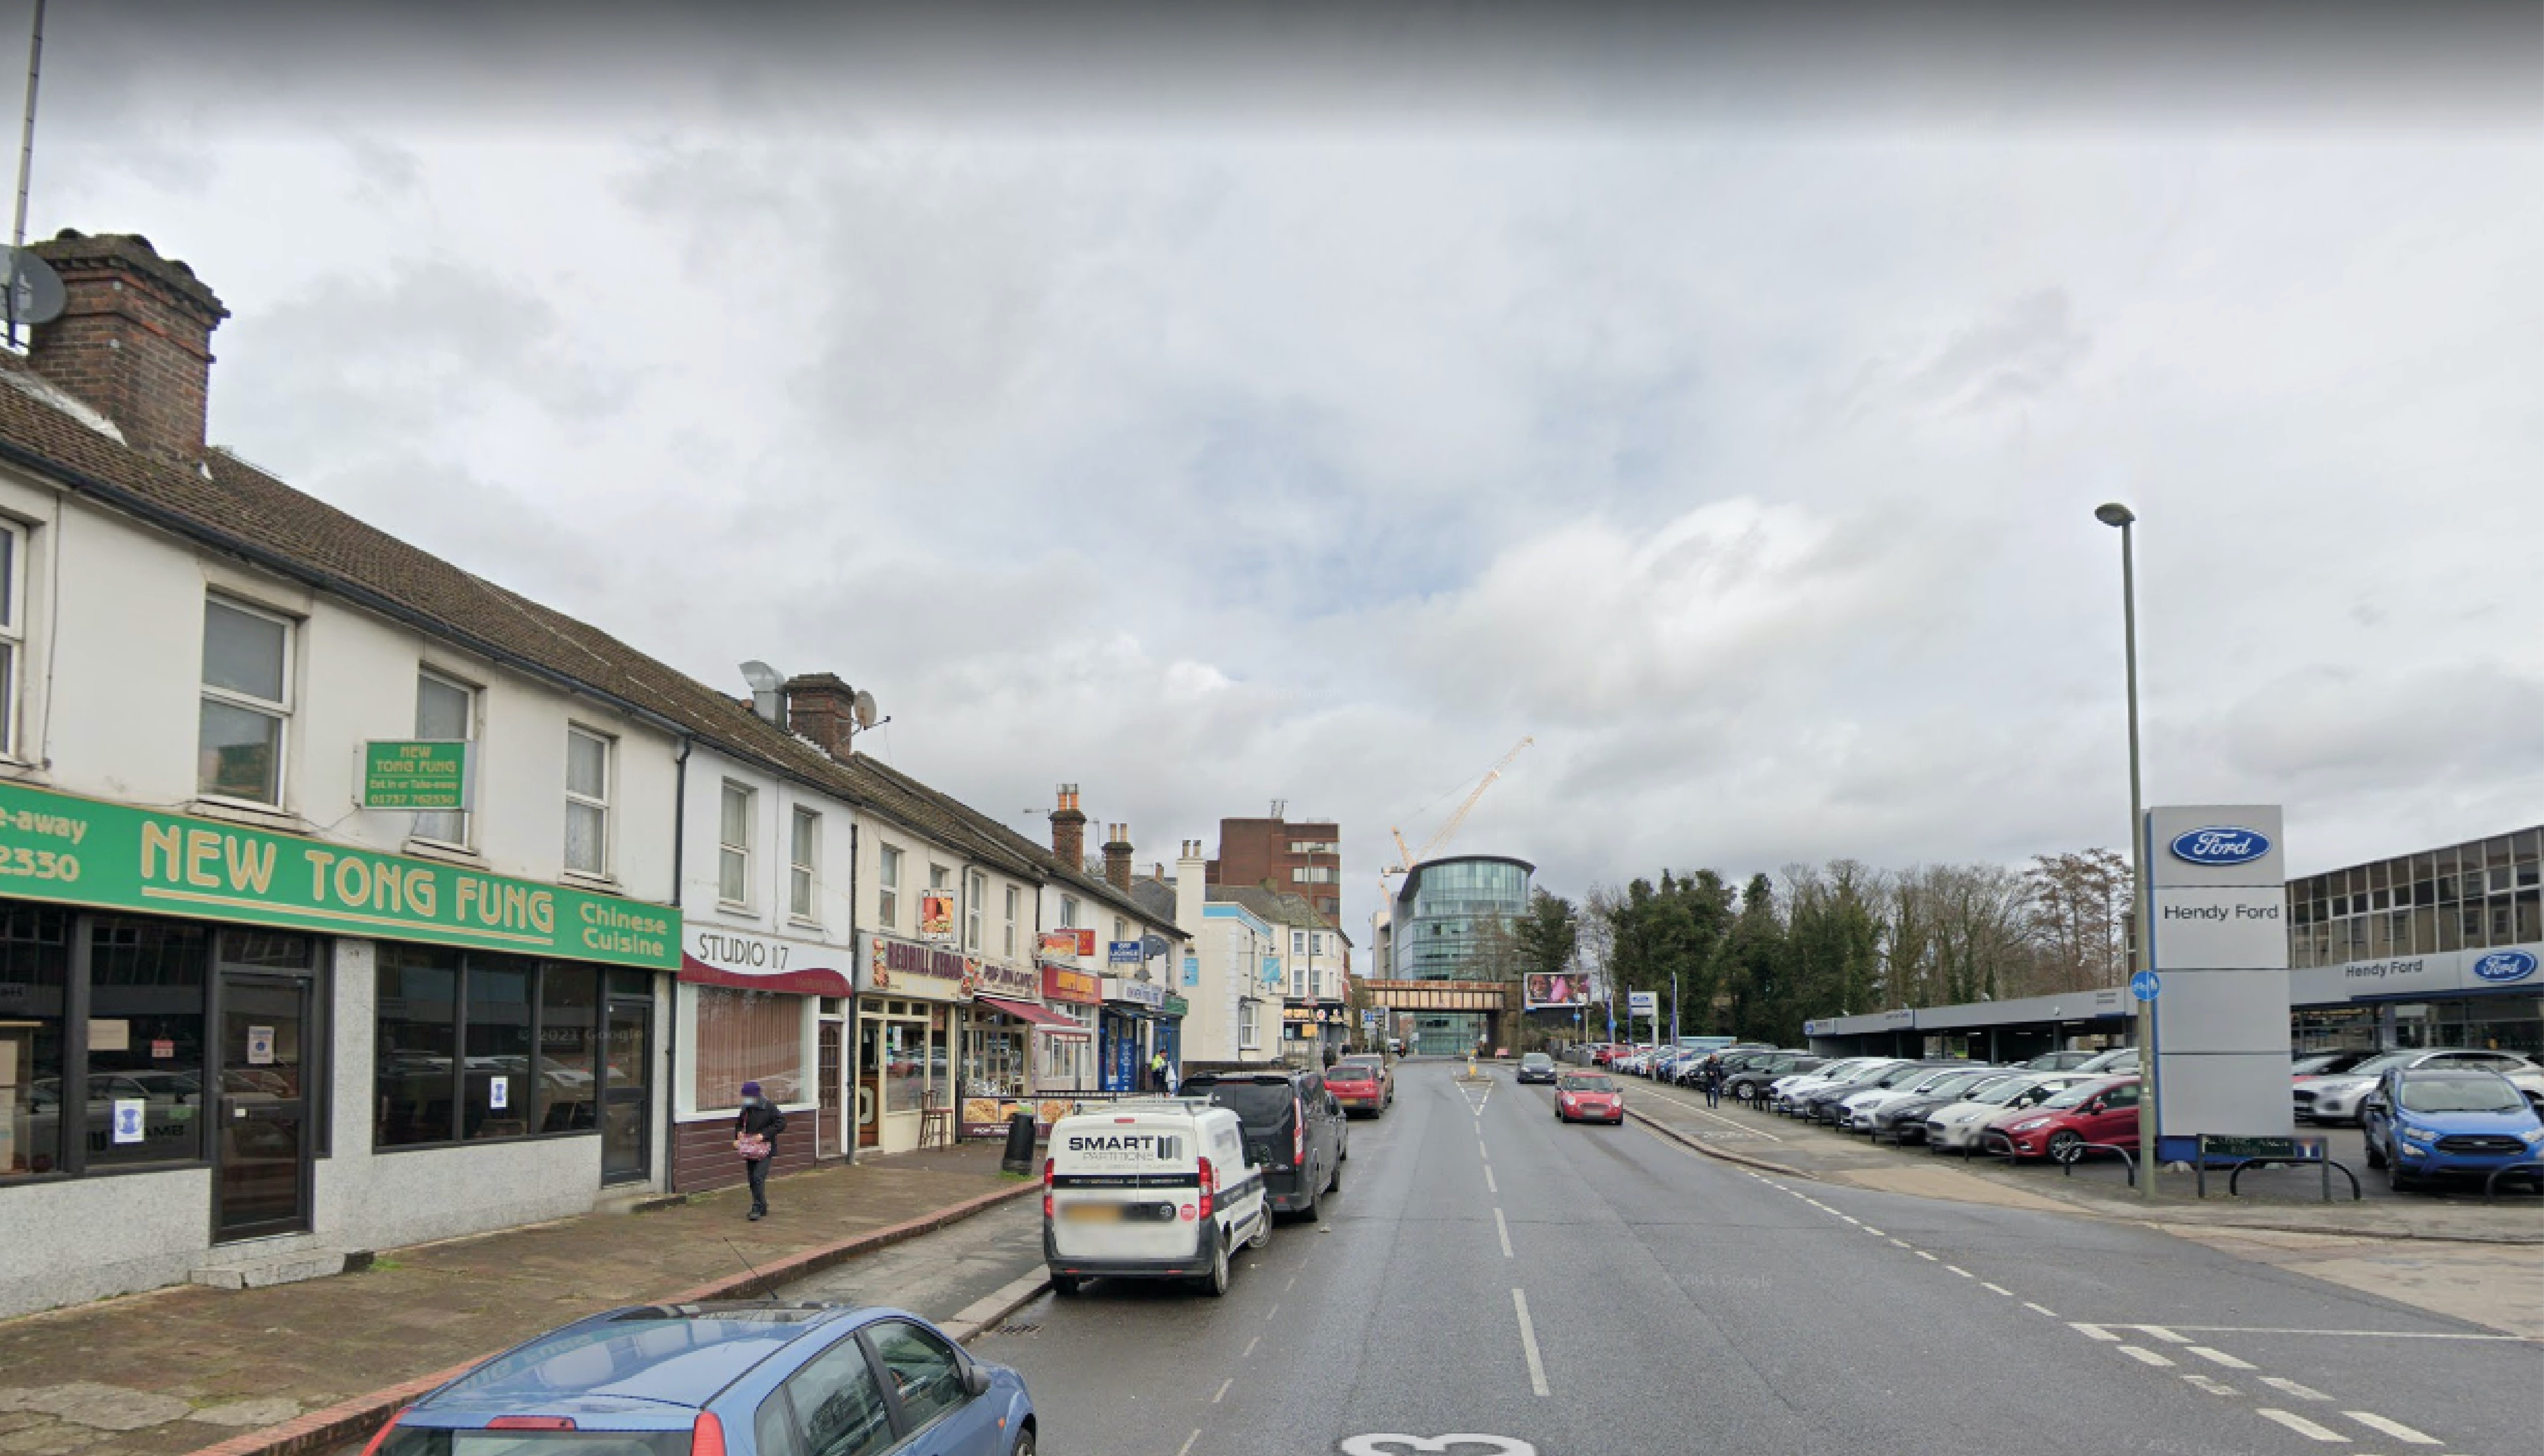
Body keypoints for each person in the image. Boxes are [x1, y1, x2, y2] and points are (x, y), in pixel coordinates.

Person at [734, 1081, 786, 1220]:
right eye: (744, 1096)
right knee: (752, 1179)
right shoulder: (746, 1108)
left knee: (758, 1177)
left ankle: (757, 1207)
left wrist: (764, 1135)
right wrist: (739, 1133)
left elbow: (781, 1123)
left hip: (765, 1149)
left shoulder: (769, 1107)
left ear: (756, 1095)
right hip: (750, 1149)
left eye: (748, 1096)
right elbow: (739, 1125)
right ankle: (762, 1205)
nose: (746, 1099)